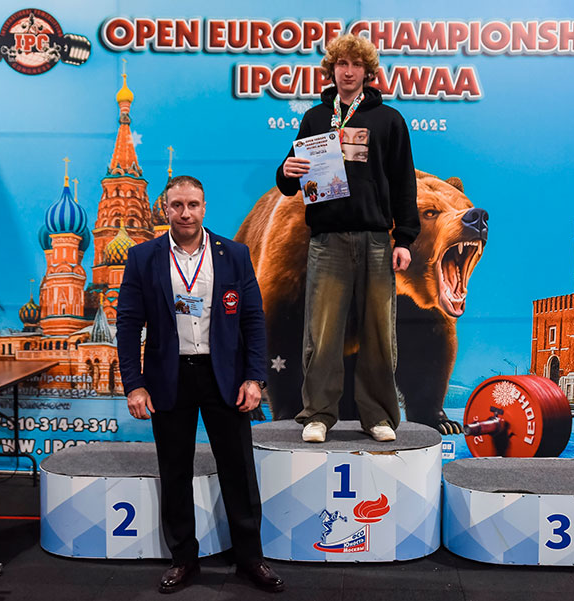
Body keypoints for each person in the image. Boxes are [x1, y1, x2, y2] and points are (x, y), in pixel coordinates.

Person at [116, 175, 283, 594]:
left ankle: (250, 558)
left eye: (193, 204)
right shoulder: (143, 257)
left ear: (204, 207)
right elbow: (128, 324)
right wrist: (134, 385)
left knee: (239, 470)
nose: (185, 213)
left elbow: (253, 320)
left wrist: (254, 377)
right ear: (165, 209)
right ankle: (183, 560)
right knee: (175, 471)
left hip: (224, 377)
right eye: (177, 205)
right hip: (168, 378)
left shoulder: (234, 254)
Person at [275, 34, 420, 443]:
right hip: (327, 241)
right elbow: (289, 180)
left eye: (356, 64)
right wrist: (286, 171)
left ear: (367, 72)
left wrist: (404, 239)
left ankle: (378, 416)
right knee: (322, 332)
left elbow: (404, 182)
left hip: (376, 241)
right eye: (342, 64)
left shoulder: (389, 120)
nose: (349, 71)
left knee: (379, 331)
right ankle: (318, 414)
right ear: (332, 70)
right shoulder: (315, 118)